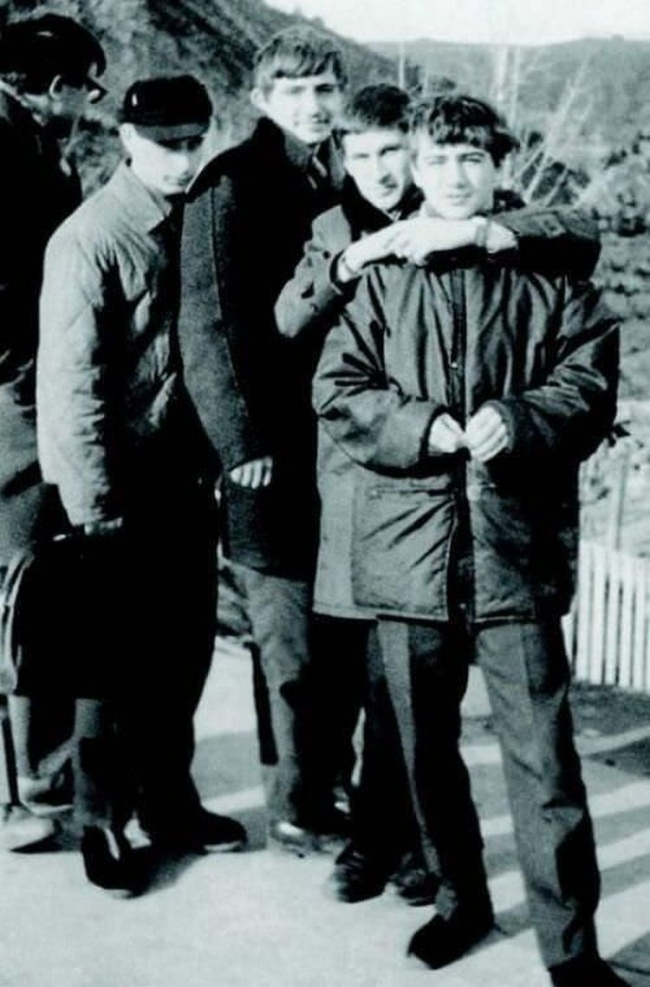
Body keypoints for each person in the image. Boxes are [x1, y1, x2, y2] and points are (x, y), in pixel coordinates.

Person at [313, 93, 625, 987]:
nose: (453, 176)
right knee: (424, 752)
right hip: (406, 557)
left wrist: (519, 418)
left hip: (513, 554)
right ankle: (460, 900)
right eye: (437, 159)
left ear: (498, 169)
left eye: (471, 160)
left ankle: (570, 947)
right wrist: (419, 426)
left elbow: (589, 381)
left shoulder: (548, 276)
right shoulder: (381, 277)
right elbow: (338, 387)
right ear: (414, 168)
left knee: (545, 761)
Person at [37, 75, 246, 896]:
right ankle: (99, 817)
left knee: (181, 652)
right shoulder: (90, 239)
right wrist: (92, 502)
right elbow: (71, 383)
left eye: (195, 141)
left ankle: (167, 802)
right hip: (115, 488)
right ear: (128, 141)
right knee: (108, 664)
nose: (183, 158)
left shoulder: (200, 218)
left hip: (183, 478)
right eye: (167, 144)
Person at [178, 26, 356, 855]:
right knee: (287, 643)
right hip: (266, 452)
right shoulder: (232, 182)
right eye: (297, 91)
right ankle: (295, 802)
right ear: (261, 98)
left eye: (326, 89)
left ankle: (325, 781)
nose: (314, 105)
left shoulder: (338, 173)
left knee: (331, 635)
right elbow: (209, 326)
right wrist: (240, 442)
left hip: (333, 444)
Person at [0, 12, 107, 851]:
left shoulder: (32, 145)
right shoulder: (10, 154)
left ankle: (36, 773)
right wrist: (22, 371)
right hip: (16, 398)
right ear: (56, 86)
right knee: (24, 590)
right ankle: (25, 789)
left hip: (23, 386)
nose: (89, 102)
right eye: (85, 87)